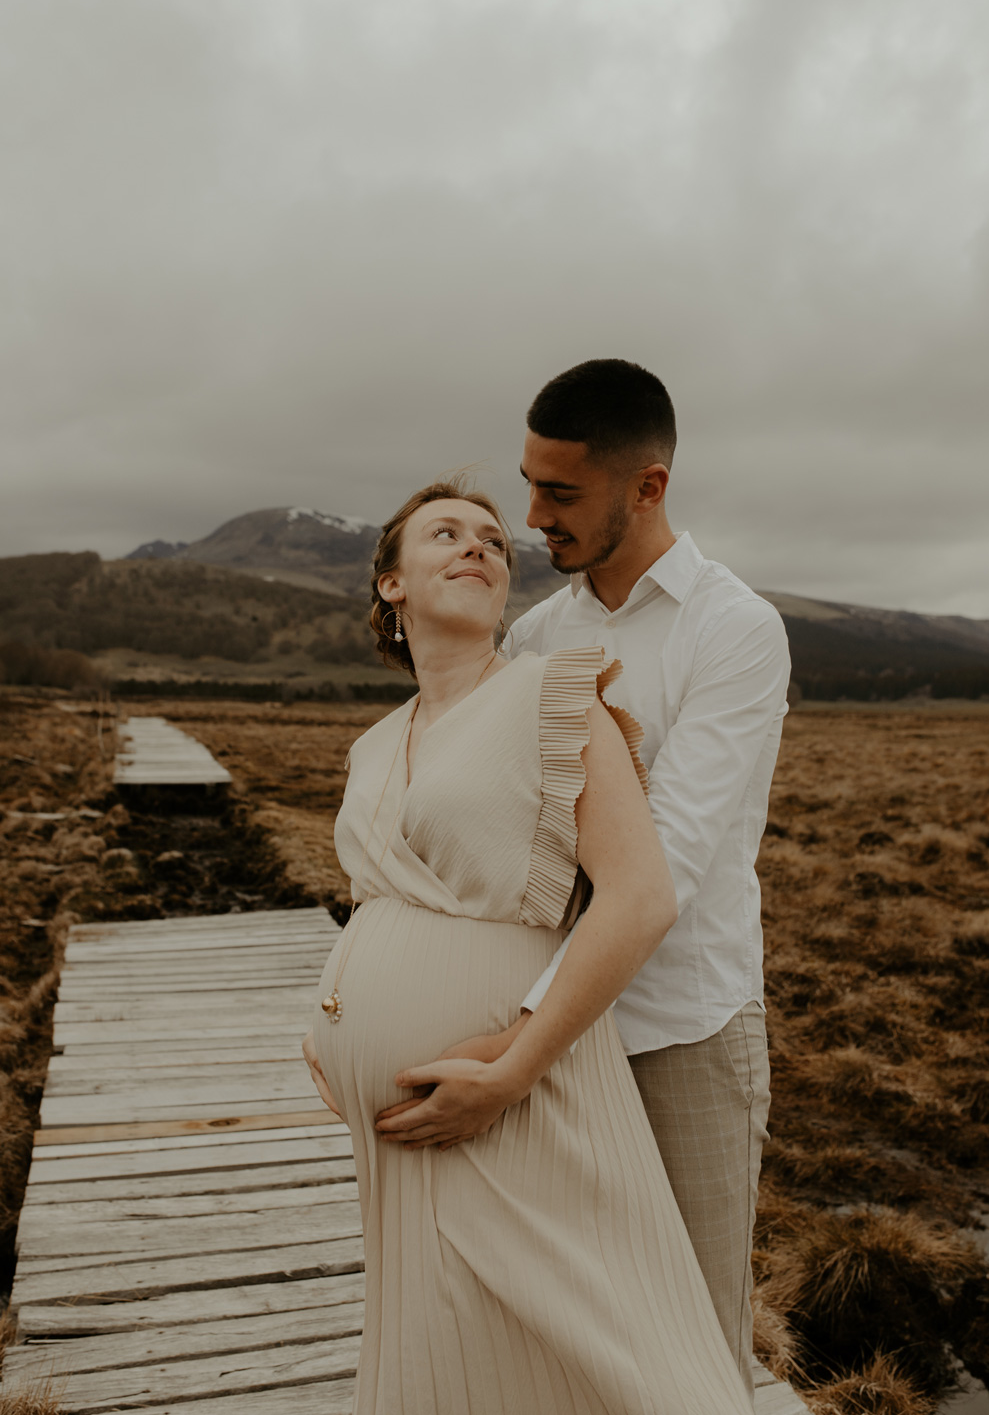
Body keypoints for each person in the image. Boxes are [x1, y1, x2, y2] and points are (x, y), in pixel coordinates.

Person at [374, 360, 792, 1401]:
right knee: (573, 1329)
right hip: (548, 1041)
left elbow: (669, 866)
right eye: (528, 483)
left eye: (559, 494)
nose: (529, 516)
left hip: (678, 1034)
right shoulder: (535, 638)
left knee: (693, 1339)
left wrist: (520, 1035)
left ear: (645, 488)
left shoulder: (732, 631)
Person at [302, 478, 753, 1414]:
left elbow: (639, 895)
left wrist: (515, 1065)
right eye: (445, 535)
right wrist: (335, 1021)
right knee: (451, 1340)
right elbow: (381, 900)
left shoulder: (553, 692)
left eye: (494, 544)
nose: (478, 548)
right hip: (395, 1122)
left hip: (515, 1077)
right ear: (390, 584)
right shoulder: (377, 742)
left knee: (608, 1343)